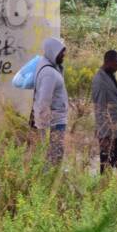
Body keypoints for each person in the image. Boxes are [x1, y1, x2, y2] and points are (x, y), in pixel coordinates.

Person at [31, 37, 69, 165]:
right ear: (53, 51)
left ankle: (50, 180)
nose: (64, 54)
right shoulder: (49, 73)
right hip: (54, 122)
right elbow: (44, 101)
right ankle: (50, 181)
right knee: (54, 157)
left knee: (52, 157)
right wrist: (44, 127)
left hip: (54, 121)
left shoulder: (46, 65)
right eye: (61, 51)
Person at [92, 49, 117, 172]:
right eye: (116, 64)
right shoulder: (100, 81)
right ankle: (105, 185)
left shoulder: (109, 76)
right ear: (108, 62)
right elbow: (100, 109)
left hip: (116, 127)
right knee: (107, 161)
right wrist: (104, 135)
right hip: (108, 131)